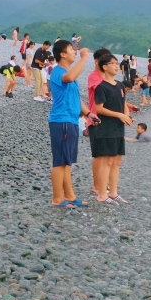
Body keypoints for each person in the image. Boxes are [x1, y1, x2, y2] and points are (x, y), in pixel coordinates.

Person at [48, 41, 98, 208]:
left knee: (67, 161)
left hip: (71, 121)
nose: (75, 52)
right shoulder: (58, 72)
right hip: (61, 121)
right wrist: (84, 58)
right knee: (59, 161)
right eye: (71, 49)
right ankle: (57, 199)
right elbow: (69, 78)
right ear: (62, 54)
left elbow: (76, 98)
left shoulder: (69, 73)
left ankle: (69, 195)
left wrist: (89, 113)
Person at [91, 53, 132, 204]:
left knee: (117, 161)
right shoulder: (101, 86)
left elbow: (123, 103)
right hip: (106, 128)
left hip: (118, 128)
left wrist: (126, 115)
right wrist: (119, 115)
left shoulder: (120, 85)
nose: (116, 66)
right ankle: (102, 194)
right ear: (104, 67)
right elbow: (98, 108)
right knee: (106, 161)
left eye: (117, 63)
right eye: (113, 63)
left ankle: (113, 193)